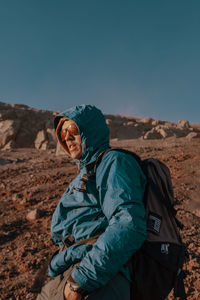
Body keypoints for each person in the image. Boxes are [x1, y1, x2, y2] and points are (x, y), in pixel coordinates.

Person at [37, 104, 147, 300]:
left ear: (90, 129)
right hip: (67, 274)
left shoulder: (113, 162)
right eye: (62, 134)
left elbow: (128, 224)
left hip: (95, 280)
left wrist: (81, 281)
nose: (67, 138)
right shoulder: (87, 172)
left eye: (72, 130)